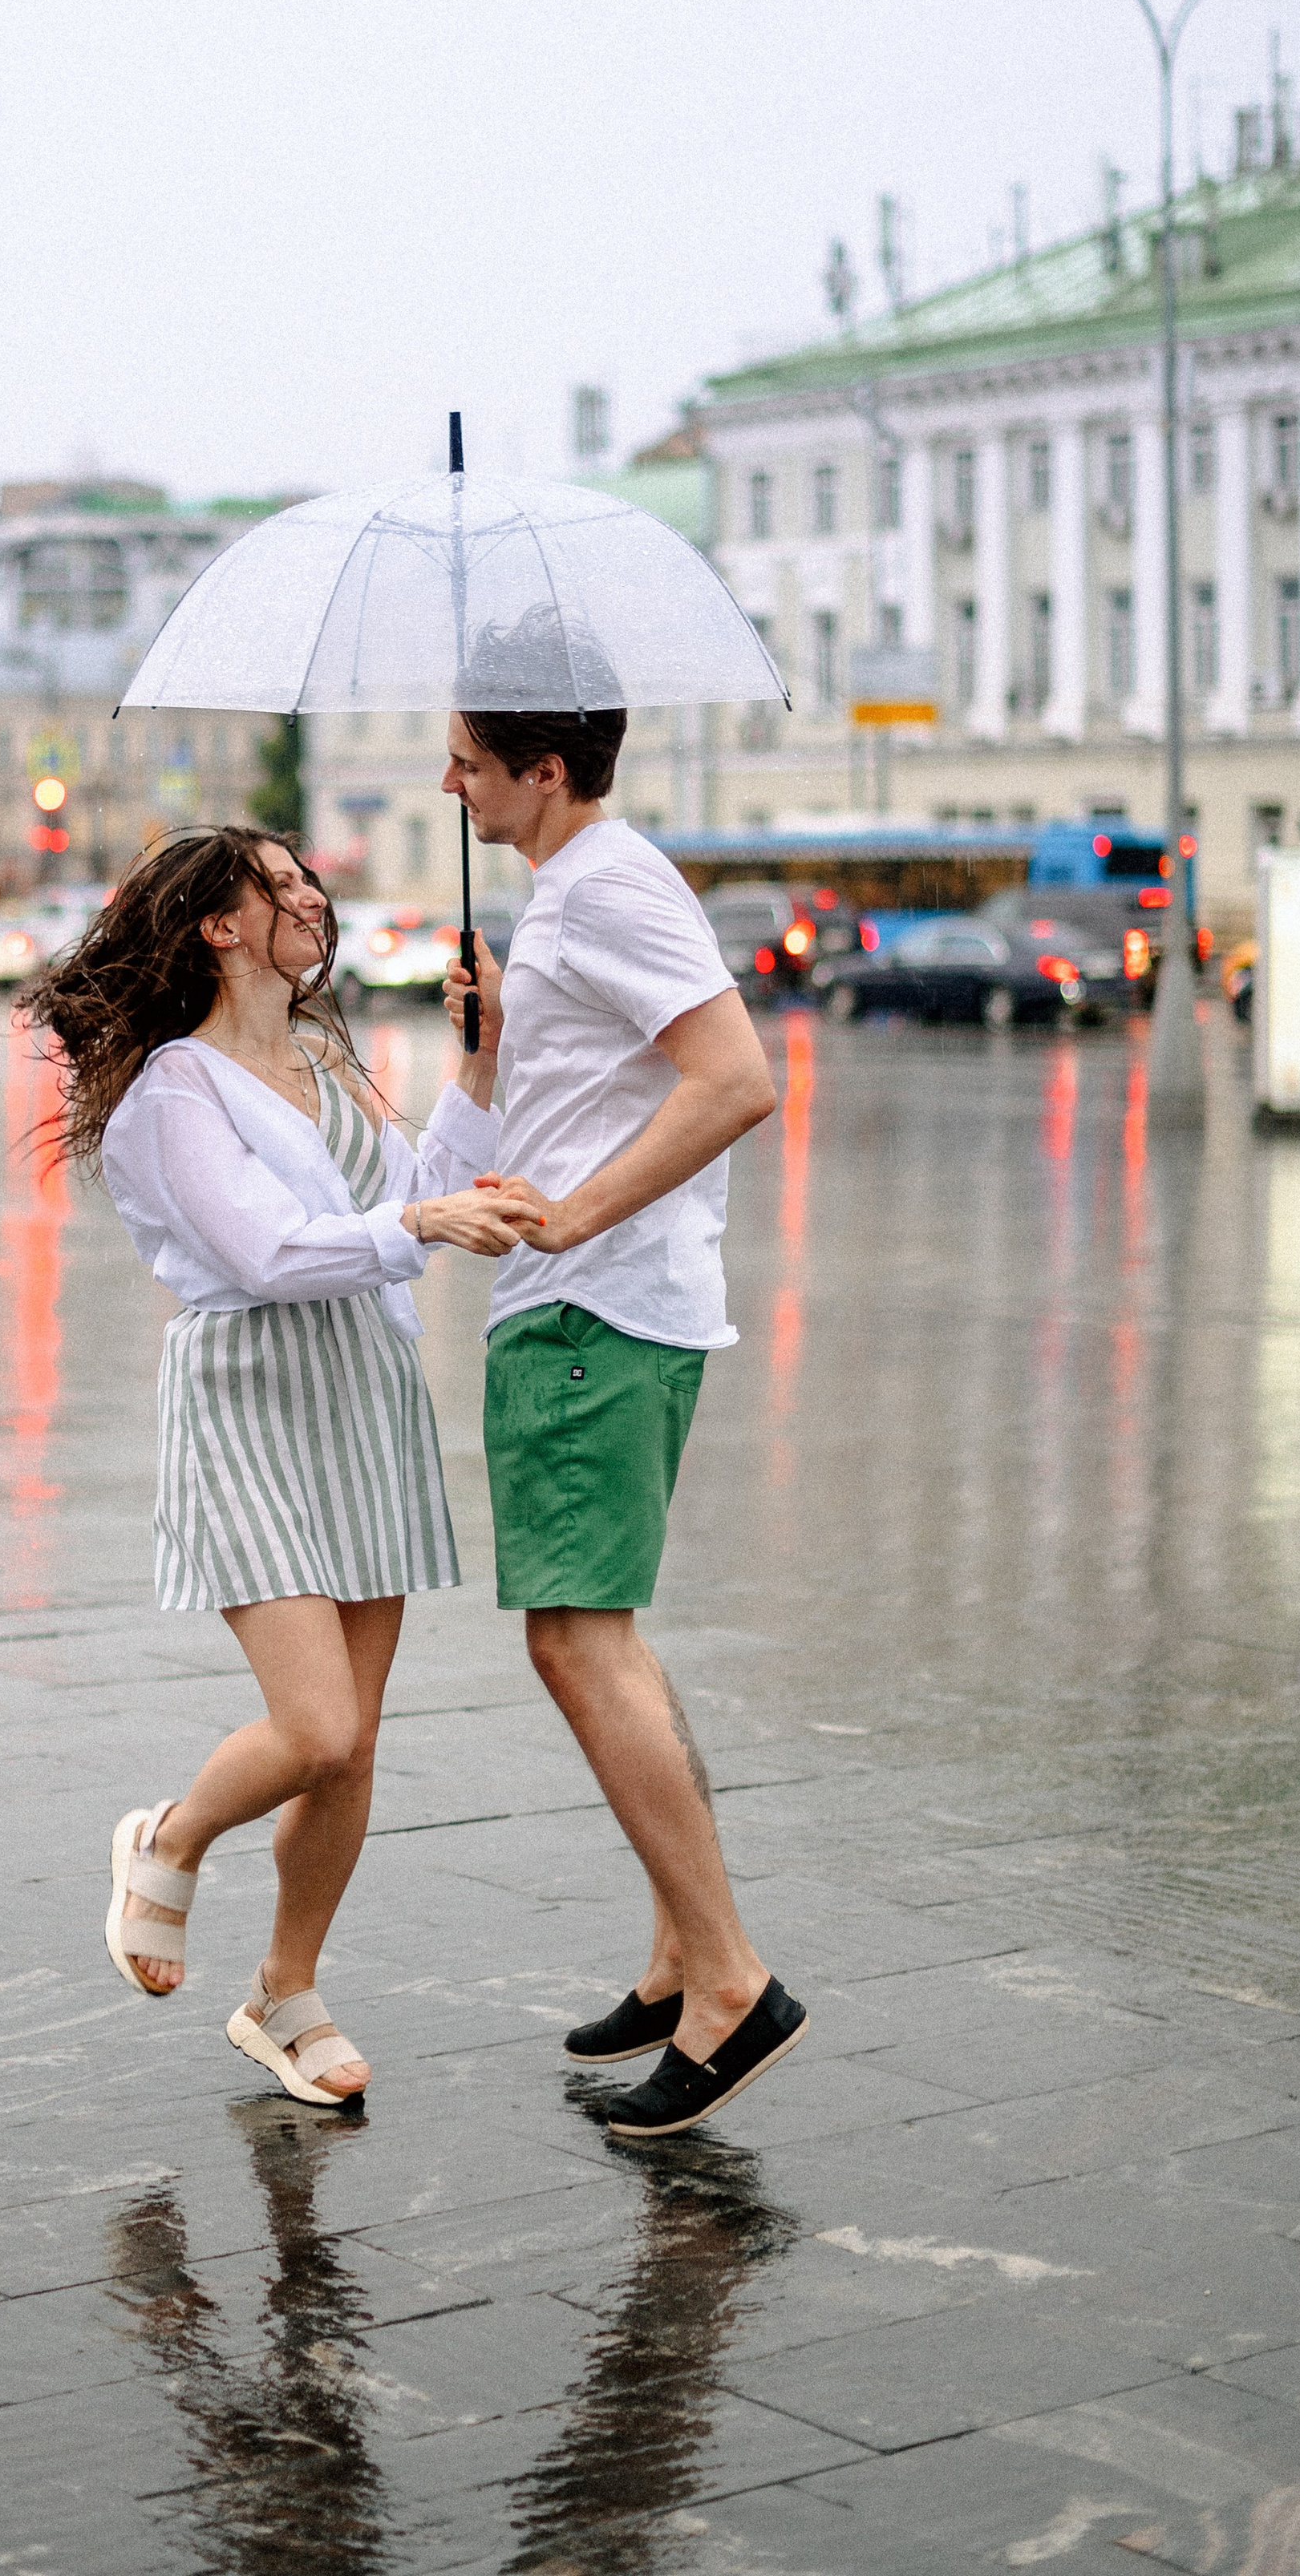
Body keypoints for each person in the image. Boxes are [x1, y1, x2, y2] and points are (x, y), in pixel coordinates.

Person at [22, 826, 531, 2108]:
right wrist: (419, 1221)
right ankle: (169, 1839)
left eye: (309, 877)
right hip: (252, 1394)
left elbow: (414, 1188)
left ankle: (285, 1994)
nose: (312, 893)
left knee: (352, 1753)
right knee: (316, 1725)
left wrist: (478, 1058)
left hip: (362, 1390)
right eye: (281, 881)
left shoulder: (316, 1057)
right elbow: (269, 1254)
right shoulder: (170, 1093)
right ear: (216, 924)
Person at [436, 707, 809, 2138]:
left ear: (545, 769)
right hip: (584, 1315)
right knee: (602, 1636)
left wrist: (575, 1214)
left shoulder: (608, 884)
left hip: (596, 1314)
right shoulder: (571, 899)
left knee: (575, 1638)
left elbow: (737, 1081)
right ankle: (677, 1957)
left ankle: (728, 1983)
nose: (447, 781)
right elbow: (615, 1078)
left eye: (466, 759)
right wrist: (505, 1040)